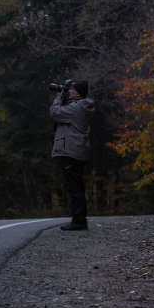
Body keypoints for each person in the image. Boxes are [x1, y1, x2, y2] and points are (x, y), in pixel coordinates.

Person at [51, 79, 94, 231]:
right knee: (76, 185)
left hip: (71, 151)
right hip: (77, 150)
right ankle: (79, 219)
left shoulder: (76, 108)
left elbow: (55, 113)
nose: (70, 92)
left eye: (73, 90)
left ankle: (78, 221)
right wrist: (70, 87)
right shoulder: (83, 106)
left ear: (79, 94)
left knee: (73, 187)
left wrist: (58, 98)